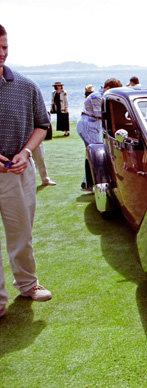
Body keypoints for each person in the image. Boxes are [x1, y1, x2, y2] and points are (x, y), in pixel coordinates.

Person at [0, 24, 53, 318]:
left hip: (18, 170)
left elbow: (42, 124)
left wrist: (26, 152)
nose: (1, 54)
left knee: (21, 234)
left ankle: (28, 285)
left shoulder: (25, 85)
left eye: (5, 47)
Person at [77, 78, 122, 189]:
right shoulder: (97, 96)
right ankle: (92, 183)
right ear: (107, 88)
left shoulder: (101, 96)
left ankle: (86, 183)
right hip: (89, 124)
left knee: (95, 154)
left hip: (93, 125)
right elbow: (100, 114)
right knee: (97, 153)